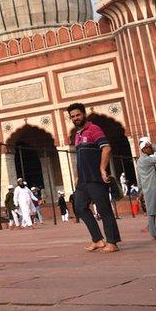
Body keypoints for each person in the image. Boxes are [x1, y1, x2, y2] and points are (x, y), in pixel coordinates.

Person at [67, 102, 121, 253]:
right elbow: (81, 158)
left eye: (78, 115)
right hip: (83, 180)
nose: (76, 118)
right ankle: (98, 239)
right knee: (80, 208)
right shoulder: (78, 134)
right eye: (73, 116)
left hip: (96, 177)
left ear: (84, 114)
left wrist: (102, 169)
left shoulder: (93, 129)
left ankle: (113, 242)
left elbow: (106, 147)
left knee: (104, 210)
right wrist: (77, 176)